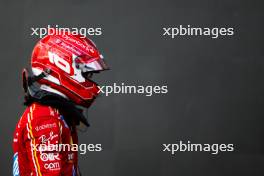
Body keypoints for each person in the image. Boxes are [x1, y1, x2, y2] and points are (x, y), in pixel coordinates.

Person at [12, 31, 109, 176]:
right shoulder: (45, 117)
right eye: (87, 74)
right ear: (63, 66)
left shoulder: (56, 112)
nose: (90, 80)